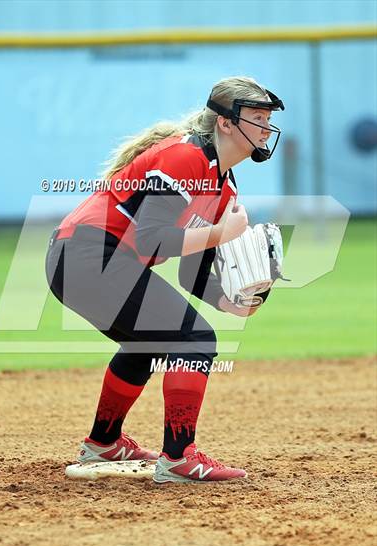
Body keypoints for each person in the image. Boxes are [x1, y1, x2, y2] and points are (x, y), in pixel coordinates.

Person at [45, 76, 284, 483]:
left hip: (83, 261)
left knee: (150, 342)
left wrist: (229, 301)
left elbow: (191, 269)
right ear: (225, 123)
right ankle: (179, 457)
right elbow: (150, 236)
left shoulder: (223, 186)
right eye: (256, 118)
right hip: (87, 254)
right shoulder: (184, 157)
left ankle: (104, 443)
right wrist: (219, 234)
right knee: (195, 339)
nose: (266, 128)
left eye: (268, 119)